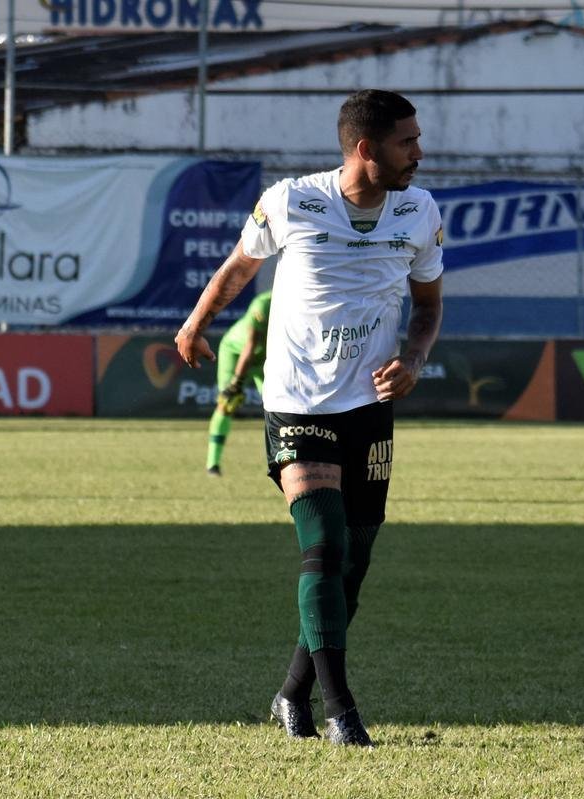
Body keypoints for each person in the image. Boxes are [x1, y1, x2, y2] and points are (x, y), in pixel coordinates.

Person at [174, 89, 443, 747]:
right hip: (296, 401)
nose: (419, 152)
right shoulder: (292, 200)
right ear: (365, 148)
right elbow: (240, 267)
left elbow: (429, 305)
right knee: (323, 545)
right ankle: (341, 711)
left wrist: (413, 358)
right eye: (407, 141)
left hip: (369, 406)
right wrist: (196, 321)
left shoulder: (420, 210)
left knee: (352, 566)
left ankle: (292, 691)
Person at [206, 290, 271, 477]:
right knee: (227, 403)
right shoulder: (263, 304)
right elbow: (250, 345)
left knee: (278, 409)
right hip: (236, 352)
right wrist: (237, 382)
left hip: (265, 357)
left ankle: (280, 460)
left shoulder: (301, 298)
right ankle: (213, 464)